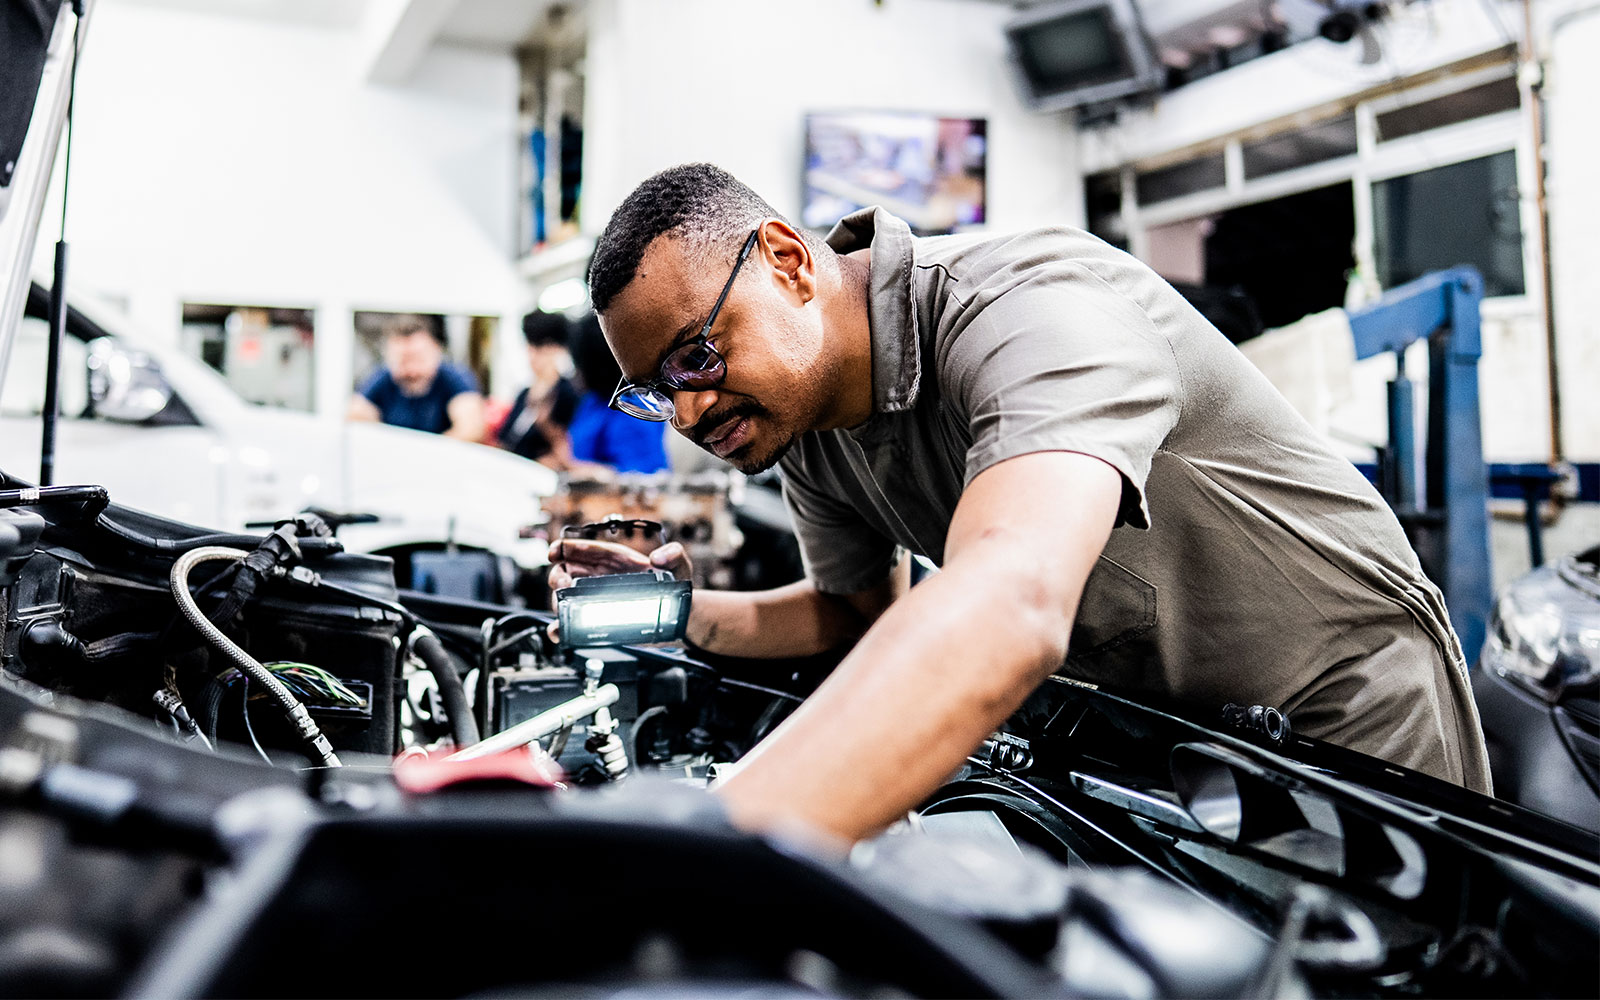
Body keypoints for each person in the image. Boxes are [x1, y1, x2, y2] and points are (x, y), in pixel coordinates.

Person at [549, 163, 1490, 847]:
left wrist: (697, 848)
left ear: (789, 263)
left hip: (1341, 708)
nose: (687, 411)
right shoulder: (810, 424)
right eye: (652, 391)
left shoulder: (1026, 304)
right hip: (1161, 736)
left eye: (695, 357)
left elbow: (1012, 598)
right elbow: (853, 610)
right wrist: (678, 612)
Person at [562, 314, 670, 474]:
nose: (575, 373)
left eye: (577, 364)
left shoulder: (634, 407)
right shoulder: (592, 401)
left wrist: (579, 469)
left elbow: (645, 477)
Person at [348, 314, 486, 440]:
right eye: (402, 361)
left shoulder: (455, 378)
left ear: (436, 350)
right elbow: (355, 416)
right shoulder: (382, 378)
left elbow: (471, 428)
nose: (411, 371)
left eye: (418, 359)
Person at [498, 311, 581, 467]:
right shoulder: (524, 394)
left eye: (541, 348)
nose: (533, 357)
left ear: (558, 349)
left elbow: (567, 452)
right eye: (530, 347)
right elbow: (505, 440)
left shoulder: (568, 394)